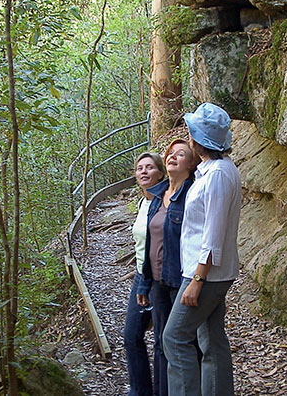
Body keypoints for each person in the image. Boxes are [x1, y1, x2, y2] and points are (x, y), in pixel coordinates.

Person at [163, 103, 241, 396]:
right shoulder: (211, 170)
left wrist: (197, 280)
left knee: (174, 338)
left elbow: (213, 233)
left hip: (205, 274)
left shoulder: (219, 174)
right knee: (210, 338)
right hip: (207, 272)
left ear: (199, 140)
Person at [138, 139, 199, 396]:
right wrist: (145, 282)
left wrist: (197, 280)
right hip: (158, 282)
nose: (173, 156)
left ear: (191, 164)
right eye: (170, 153)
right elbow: (150, 241)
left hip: (181, 281)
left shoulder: (193, 195)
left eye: (181, 154)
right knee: (162, 342)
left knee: (184, 343)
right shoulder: (157, 195)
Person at [124, 152, 166, 396]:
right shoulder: (143, 203)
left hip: (160, 278)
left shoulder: (165, 201)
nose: (144, 172)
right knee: (131, 335)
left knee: (162, 341)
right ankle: (140, 391)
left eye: (149, 167)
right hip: (141, 275)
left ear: (160, 173)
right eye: (140, 168)